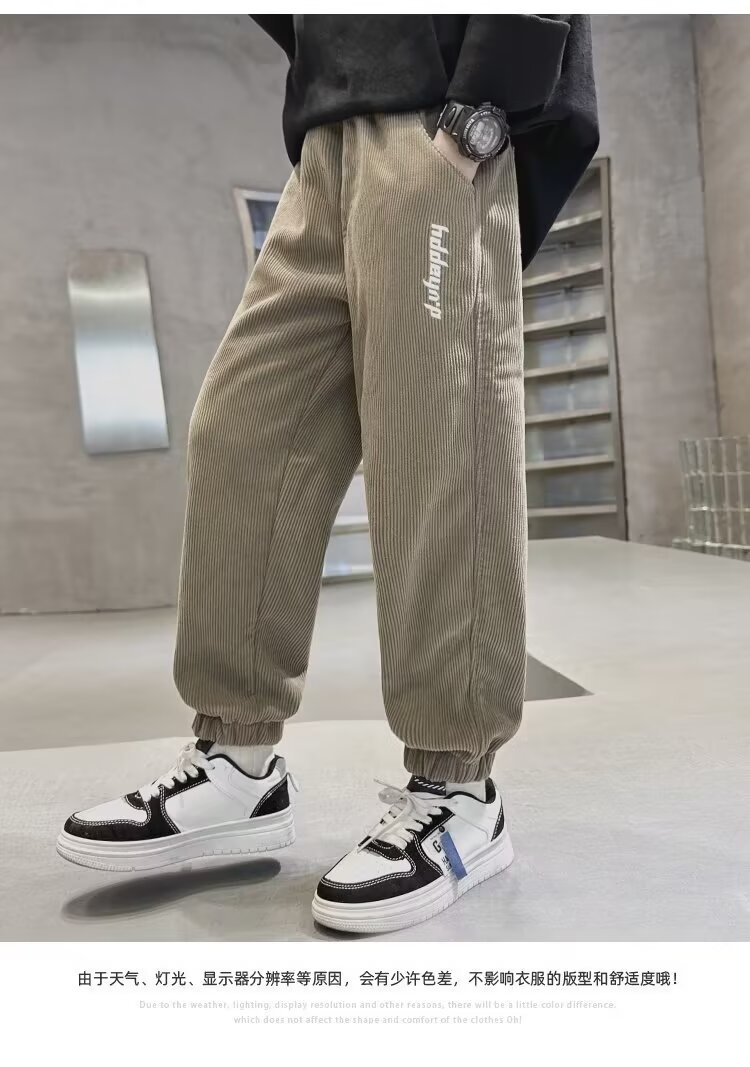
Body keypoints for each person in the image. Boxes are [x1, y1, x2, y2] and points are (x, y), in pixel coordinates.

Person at [57, 15, 598, 934]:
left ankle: (460, 790)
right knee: (243, 433)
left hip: (443, 121)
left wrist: (486, 101)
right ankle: (238, 764)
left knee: (436, 445)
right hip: (325, 137)